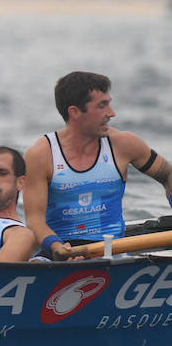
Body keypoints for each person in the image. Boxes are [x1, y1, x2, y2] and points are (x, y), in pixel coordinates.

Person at [24, 71, 172, 259]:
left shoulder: (124, 144)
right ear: (74, 112)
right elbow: (34, 219)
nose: (112, 113)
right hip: (59, 252)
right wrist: (57, 248)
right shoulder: (40, 154)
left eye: (109, 103)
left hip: (113, 252)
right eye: (102, 106)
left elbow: (168, 174)